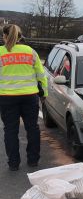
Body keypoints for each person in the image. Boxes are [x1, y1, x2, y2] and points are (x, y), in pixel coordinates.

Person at [0, 24, 48, 170]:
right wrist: (44, 94)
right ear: (20, 36)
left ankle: (13, 164)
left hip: (7, 97)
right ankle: (33, 160)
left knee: (10, 130)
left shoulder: (1, 52)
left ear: (4, 36)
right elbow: (41, 75)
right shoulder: (30, 52)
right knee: (32, 128)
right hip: (29, 96)